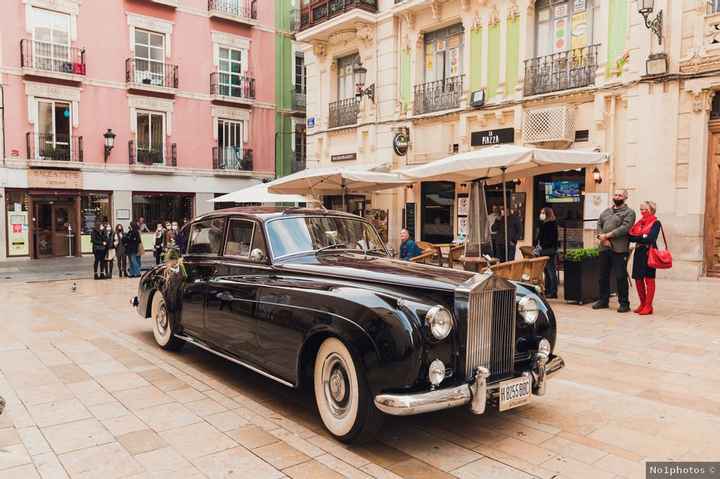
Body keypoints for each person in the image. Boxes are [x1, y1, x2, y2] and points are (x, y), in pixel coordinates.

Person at [593, 189, 637, 313]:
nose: (617, 197)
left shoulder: (629, 212)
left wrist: (608, 236)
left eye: (620, 195)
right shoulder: (606, 211)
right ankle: (603, 300)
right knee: (602, 276)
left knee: (620, 276)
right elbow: (599, 224)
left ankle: (624, 303)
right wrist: (601, 237)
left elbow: (625, 228)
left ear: (625, 197)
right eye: (615, 195)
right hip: (604, 247)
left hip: (619, 249)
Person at [629, 201, 661, 315]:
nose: (642, 211)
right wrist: (642, 236)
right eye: (641, 209)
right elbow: (630, 237)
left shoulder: (656, 223)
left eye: (645, 209)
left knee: (649, 279)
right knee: (638, 279)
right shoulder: (639, 222)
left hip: (649, 253)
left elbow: (651, 239)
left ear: (651, 210)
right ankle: (642, 304)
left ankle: (648, 306)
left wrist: (639, 236)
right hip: (639, 252)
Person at [537, 207, 559, 298]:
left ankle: (553, 291)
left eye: (543, 213)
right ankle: (548, 290)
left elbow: (542, 237)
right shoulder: (548, 224)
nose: (541, 214)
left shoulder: (549, 224)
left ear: (547, 214)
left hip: (548, 249)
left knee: (550, 271)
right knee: (547, 271)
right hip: (548, 249)